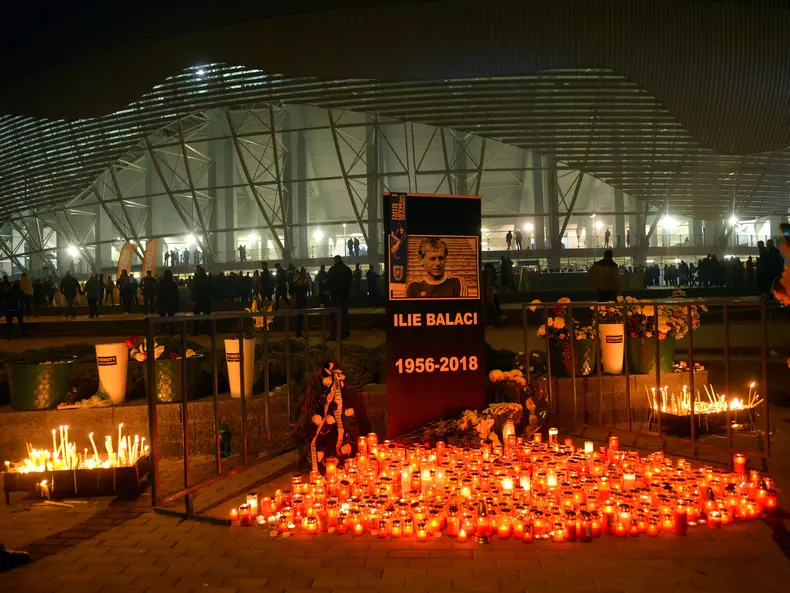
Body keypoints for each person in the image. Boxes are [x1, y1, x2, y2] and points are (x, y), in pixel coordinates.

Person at [328, 255, 353, 338]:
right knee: (344, 314)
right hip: (344, 296)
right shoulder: (347, 269)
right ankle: (345, 332)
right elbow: (350, 282)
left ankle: (334, 332)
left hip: (335, 296)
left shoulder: (332, 270)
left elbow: (329, 282)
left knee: (334, 315)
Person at [156, 269, 180, 335]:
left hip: (162, 303)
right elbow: (176, 295)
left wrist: (157, 303)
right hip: (171, 304)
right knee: (171, 320)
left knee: (162, 319)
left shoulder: (161, 283)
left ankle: (163, 331)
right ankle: (171, 332)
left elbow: (158, 294)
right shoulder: (173, 284)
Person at [293, 266, 311, 338]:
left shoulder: (304, 278)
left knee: (301, 318)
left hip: (302, 299)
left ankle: (300, 333)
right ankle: (298, 333)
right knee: (299, 317)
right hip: (300, 300)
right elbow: (296, 284)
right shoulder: (299, 277)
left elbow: (307, 285)